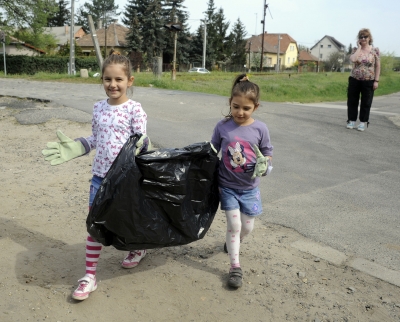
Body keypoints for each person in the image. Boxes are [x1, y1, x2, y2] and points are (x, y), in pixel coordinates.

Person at [42, 50, 150, 300]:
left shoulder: (135, 109)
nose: (113, 85)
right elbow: (96, 138)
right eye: (107, 79)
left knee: (129, 220)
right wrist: (79, 145)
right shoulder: (98, 108)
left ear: (129, 81)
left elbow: (141, 143)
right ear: (101, 80)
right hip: (99, 178)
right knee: (94, 224)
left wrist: (140, 148)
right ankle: (89, 276)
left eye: (118, 80)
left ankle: (139, 248)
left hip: (126, 179)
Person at [211, 74, 273, 288]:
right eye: (236, 106)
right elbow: (212, 151)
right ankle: (235, 267)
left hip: (250, 189)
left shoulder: (260, 129)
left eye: (246, 108)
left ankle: (232, 244)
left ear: (255, 107)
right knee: (235, 225)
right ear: (230, 103)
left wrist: (266, 164)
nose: (240, 112)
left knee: (247, 228)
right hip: (227, 186)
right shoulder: (222, 127)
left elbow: (267, 152)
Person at [347, 28, 380, 132]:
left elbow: (378, 66)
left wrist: (376, 81)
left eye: (365, 36)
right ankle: (351, 120)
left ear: (369, 38)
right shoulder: (355, 50)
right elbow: (353, 59)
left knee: (366, 102)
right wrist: (359, 48)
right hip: (354, 79)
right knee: (352, 101)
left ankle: (362, 122)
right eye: (361, 37)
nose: (363, 38)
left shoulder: (375, 51)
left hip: (369, 80)